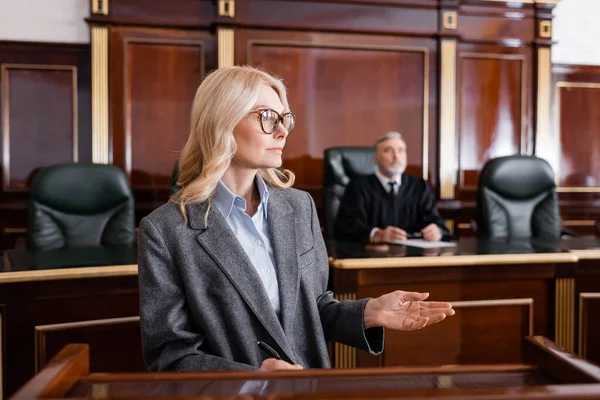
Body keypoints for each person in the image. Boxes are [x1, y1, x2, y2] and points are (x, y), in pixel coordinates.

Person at [138, 66, 454, 372]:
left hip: (310, 389)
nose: (282, 130)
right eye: (267, 117)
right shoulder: (164, 230)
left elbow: (315, 309)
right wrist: (250, 379)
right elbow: (171, 355)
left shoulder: (299, 206)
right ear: (223, 120)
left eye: (285, 119)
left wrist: (368, 312)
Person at [334, 132, 449, 244]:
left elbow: (435, 219)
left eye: (401, 150)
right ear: (376, 158)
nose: (396, 156)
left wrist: (437, 230)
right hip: (371, 257)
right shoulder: (358, 187)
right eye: (389, 150)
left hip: (413, 256)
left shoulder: (419, 186)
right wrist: (377, 234)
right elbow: (346, 226)